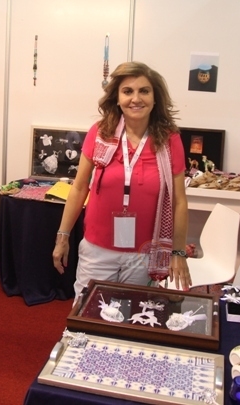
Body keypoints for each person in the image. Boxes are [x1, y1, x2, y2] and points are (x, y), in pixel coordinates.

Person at [53, 61, 192, 296]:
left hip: (143, 253)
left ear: (155, 98)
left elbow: (179, 201)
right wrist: (62, 236)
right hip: (98, 250)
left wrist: (178, 253)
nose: (136, 99)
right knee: (87, 311)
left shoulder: (169, 140)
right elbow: (79, 188)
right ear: (117, 98)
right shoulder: (100, 133)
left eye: (144, 91)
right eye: (128, 91)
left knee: (132, 313)